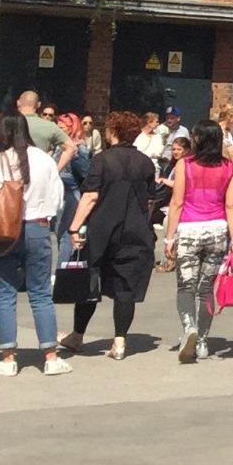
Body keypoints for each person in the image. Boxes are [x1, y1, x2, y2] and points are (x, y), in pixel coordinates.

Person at [0, 111, 67, 377]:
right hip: (38, 227)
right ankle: (51, 356)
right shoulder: (44, 159)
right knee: (40, 293)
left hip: (4, 232)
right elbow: (58, 199)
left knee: (4, 294)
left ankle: (8, 358)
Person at [64, 111, 159, 359]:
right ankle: (120, 342)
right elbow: (150, 200)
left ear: (113, 131)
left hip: (102, 229)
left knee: (90, 281)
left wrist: (74, 226)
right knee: (126, 286)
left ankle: (77, 335)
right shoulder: (145, 163)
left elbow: (90, 196)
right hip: (135, 229)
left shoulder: (102, 160)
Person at [160, 120, 233, 364]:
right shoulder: (228, 167)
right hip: (217, 229)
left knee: (186, 286)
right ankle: (203, 341)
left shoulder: (185, 164)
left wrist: (169, 238)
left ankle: (189, 328)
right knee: (206, 289)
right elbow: (231, 204)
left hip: (189, 228)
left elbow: (177, 202)